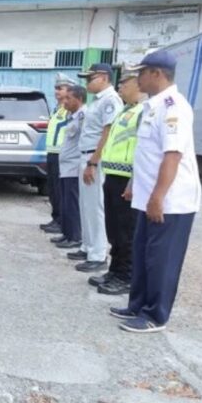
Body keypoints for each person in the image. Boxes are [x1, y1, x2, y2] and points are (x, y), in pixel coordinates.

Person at [111, 50, 202, 333]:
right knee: (142, 254)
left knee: (161, 260)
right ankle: (138, 304)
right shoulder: (152, 106)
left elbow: (172, 156)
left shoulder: (174, 108)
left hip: (170, 201)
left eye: (141, 73)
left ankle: (155, 315)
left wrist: (158, 197)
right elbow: (146, 153)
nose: (137, 78)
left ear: (157, 74)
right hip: (147, 196)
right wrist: (134, 185)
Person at [90, 71, 146, 295]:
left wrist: (134, 179)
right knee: (113, 228)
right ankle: (115, 270)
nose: (120, 86)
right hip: (113, 175)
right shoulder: (126, 110)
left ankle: (126, 276)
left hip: (127, 179)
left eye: (124, 83)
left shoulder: (143, 111)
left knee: (126, 230)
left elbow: (144, 149)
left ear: (138, 84)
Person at [69, 63, 123, 272]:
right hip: (86, 156)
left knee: (95, 207)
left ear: (103, 77)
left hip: (95, 158)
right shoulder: (97, 101)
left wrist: (93, 162)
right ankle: (88, 246)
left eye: (90, 79)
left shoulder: (110, 100)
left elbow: (107, 133)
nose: (86, 83)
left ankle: (98, 255)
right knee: (86, 205)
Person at [51, 85, 86, 250]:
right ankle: (67, 233)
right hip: (65, 166)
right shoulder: (72, 116)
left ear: (79, 99)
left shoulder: (83, 116)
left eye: (68, 98)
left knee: (72, 203)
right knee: (65, 203)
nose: (64, 102)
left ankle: (75, 236)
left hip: (74, 166)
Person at [40, 73, 76, 234]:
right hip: (52, 153)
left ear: (70, 90)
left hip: (62, 154)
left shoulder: (70, 110)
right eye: (56, 88)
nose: (57, 91)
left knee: (61, 190)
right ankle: (56, 218)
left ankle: (62, 221)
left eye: (60, 88)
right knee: (53, 189)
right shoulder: (58, 109)